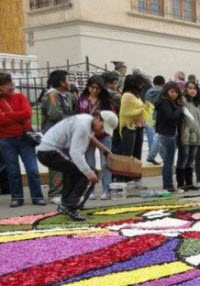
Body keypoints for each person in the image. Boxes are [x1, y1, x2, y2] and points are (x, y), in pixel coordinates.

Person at [37, 111, 118, 221]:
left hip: (47, 151)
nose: (102, 131)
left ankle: (66, 204)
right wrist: (89, 173)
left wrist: (103, 148)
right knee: (82, 174)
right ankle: (69, 206)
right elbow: (75, 153)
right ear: (98, 118)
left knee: (73, 172)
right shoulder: (84, 126)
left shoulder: (87, 119)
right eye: (103, 127)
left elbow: (89, 137)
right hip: (50, 152)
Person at [0, 72, 46, 207]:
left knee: (32, 169)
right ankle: (17, 198)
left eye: (12, 83)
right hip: (6, 140)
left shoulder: (20, 97)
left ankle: (37, 196)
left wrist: (7, 115)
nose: (11, 86)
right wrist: (16, 116)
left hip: (25, 138)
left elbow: (28, 113)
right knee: (12, 171)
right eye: (7, 84)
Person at [77, 75, 115, 200]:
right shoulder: (82, 101)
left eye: (98, 88)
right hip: (88, 136)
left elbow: (112, 117)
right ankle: (91, 190)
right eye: (92, 87)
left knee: (106, 163)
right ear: (88, 87)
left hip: (104, 135)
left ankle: (106, 190)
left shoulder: (106, 101)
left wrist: (103, 121)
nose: (95, 91)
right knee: (90, 163)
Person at [41, 70, 74, 204]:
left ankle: (65, 191)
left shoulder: (66, 95)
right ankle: (55, 193)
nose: (69, 82)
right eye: (67, 79)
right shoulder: (52, 95)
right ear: (61, 82)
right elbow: (55, 114)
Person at [118, 75, 151, 188]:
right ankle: (123, 179)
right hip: (128, 128)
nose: (141, 85)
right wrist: (143, 109)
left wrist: (144, 109)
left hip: (138, 127)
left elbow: (138, 110)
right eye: (139, 83)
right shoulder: (127, 96)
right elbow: (126, 113)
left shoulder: (136, 96)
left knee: (137, 155)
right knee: (127, 154)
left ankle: (137, 178)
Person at [155, 81, 185, 193]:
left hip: (170, 133)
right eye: (172, 91)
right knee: (168, 161)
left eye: (176, 92)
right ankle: (168, 186)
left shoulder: (169, 102)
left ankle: (168, 185)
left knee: (169, 161)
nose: (174, 94)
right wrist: (180, 109)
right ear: (167, 91)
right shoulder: (164, 102)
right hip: (167, 134)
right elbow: (170, 116)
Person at [178, 80, 200, 191]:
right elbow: (187, 119)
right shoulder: (183, 101)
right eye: (190, 88)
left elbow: (199, 120)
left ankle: (189, 183)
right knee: (183, 159)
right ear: (186, 89)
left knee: (191, 160)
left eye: (194, 88)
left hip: (197, 135)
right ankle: (181, 184)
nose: (192, 91)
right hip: (186, 134)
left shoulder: (197, 103)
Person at [144, 75, 166, 165]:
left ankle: (164, 156)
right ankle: (152, 156)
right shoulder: (163, 92)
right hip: (160, 116)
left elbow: (146, 104)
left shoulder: (148, 91)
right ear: (163, 83)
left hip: (149, 115)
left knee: (159, 137)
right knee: (160, 137)